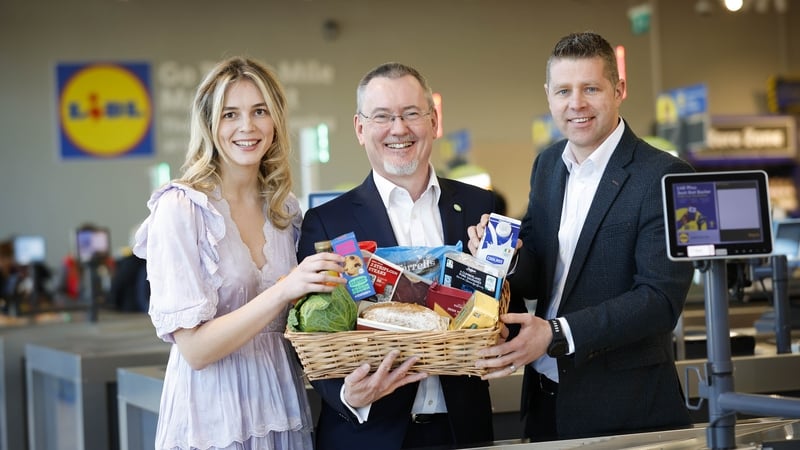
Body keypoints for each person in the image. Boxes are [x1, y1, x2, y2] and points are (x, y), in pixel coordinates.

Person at [470, 32, 696, 441]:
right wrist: (506, 255)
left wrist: (557, 333)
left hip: (624, 409)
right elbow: (539, 269)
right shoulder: (548, 166)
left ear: (619, 89)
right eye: (563, 91)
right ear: (548, 96)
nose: (576, 103)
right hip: (545, 402)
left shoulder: (663, 176)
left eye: (591, 88)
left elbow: (659, 301)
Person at [133, 57, 345, 450]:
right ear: (209, 125)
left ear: (276, 120)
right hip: (213, 415)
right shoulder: (182, 210)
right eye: (230, 114)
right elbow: (195, 351)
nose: (247, 127)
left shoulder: (284, 210)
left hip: (281, 404)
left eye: (259, 111)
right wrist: (283, 291)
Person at [297, 62, 497, 450]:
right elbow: (311, 332)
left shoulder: (478, 206)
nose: (399, 129)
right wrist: (346, 396)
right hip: (367, 434)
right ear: (360, 129)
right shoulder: (327, 223)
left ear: (434, 121)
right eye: (382, 117)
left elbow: (504, 306)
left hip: (463, 432)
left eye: (411, 114)